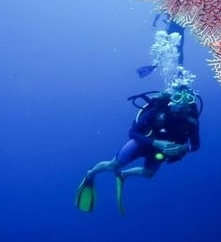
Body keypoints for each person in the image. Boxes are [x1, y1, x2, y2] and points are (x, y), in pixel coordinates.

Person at [75, 84, 201, 215]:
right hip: (140, 144)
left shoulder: (191, 122)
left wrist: (184, 147)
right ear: (171, 99)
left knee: (148, 174)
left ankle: (123, 175)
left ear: (192, 102)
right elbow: (133, 133)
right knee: (113, 165)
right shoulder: (156, 112)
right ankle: (90, 174)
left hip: (159, 153)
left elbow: (196, 145)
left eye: (188, 99)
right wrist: (156, 142)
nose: (182, 103)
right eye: (178, 97)